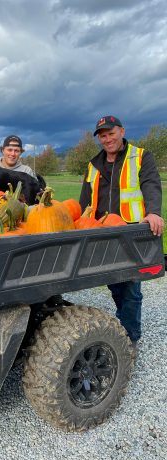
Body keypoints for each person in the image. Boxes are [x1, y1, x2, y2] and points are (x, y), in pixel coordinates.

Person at [79, 115, 164, 344]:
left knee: (130, 287)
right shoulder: (93, 164)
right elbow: (84, 201)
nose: (107, 139)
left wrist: (154, 211)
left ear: (122, 131)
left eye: (111, 133)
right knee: (114, 283)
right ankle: (122, 324)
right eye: (103, 136)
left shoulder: (140, 156)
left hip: (129, 231)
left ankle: (130, 338)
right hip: (100, 232)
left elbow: (151, 184)